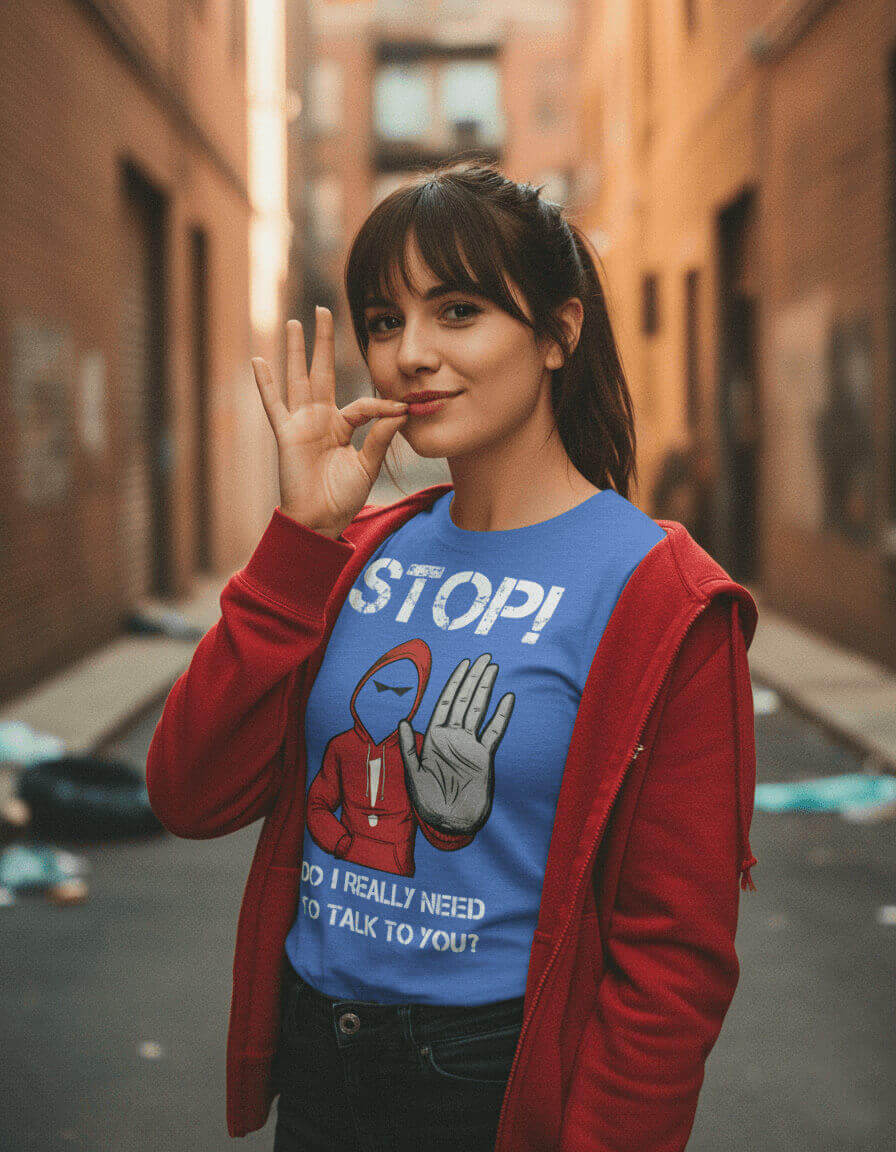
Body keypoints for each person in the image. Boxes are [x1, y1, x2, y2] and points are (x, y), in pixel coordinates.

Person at [146, 161, 759, 1152]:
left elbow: (673, 956)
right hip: (318, 1053)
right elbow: (188, 791)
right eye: (384, 321)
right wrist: (298, 541)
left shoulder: (659, 594)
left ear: (560, 332)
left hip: (486, 1080)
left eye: (458, 310)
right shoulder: (355, 552)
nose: (408, 357)